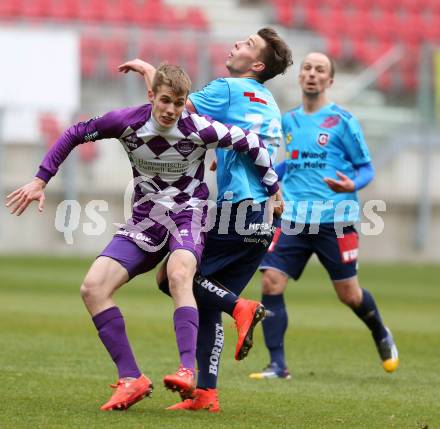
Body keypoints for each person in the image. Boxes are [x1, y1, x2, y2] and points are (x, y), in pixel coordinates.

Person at [5, 64, 279, 410]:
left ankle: (186, 371)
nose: (171, 110)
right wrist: (40, 180)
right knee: (93, 288)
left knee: (180, 275)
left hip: (187, 216)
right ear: (151, 96)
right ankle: (131, 378)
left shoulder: (200, 129)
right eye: (165, 101)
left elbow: (252, 143)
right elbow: (75, 132)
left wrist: (273, 189)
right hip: (146, 220)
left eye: (179, 103)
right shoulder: (127, 122)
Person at [119, 27, 293, 412]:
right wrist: (227, 157)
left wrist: (149, 70)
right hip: (265, 214)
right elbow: (256, 144)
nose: (237, 44)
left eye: (247, 45)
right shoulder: (269, 102)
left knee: (172, 277)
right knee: (204, 295)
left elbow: (173, 110)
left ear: (258, 64)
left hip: (238, 207)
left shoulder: (229, 88)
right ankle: (206, 394)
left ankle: (241, 308)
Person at [249, 52, 399, 380]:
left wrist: (352, 183)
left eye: (320, 70)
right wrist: (270, 173)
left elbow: (366, 167)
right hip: (294, 218)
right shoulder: (288, 121)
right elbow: (295, 161)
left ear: (330, 80)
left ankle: (380, 332)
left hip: (336, 217)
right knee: (272, 280)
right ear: (300, 76)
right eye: (307, 68)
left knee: (349, 294)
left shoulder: (343, 121)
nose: (312, 74)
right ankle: (277, 365)